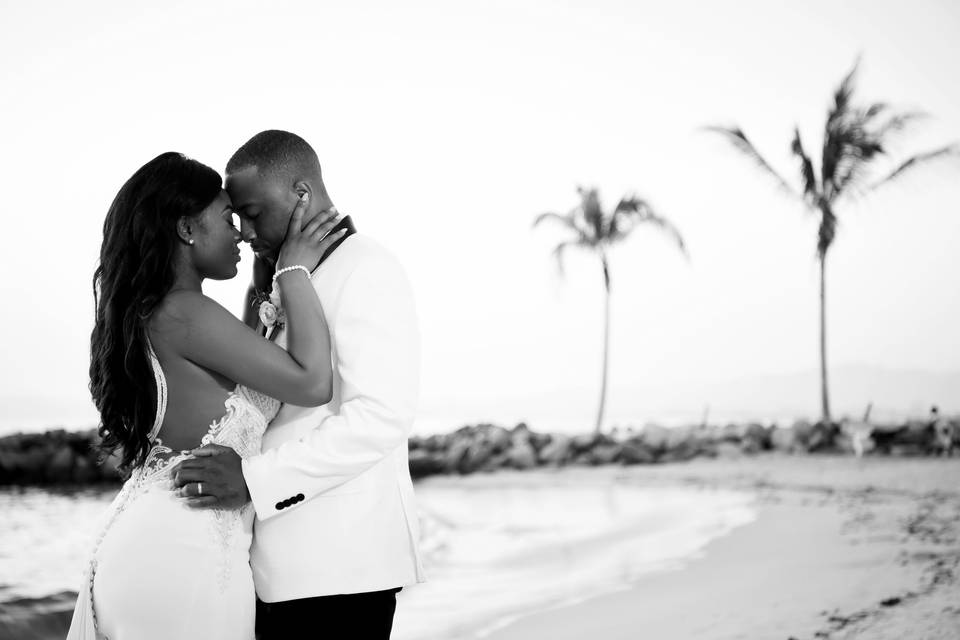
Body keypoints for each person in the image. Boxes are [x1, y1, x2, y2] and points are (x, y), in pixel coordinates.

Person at [67, 151, 345, 639]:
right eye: (226, 217)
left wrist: (269, 278)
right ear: (186, 229)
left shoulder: (167, 312)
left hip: (162, 536)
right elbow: (312, 383)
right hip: (182, 552)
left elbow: (247, 373)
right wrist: (295, 272)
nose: (240, 232)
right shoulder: (185, 313)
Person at [171, 130, 425, 639]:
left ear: (301, 193)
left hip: (340, 570)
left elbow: (379, 419)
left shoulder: (366, 268)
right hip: (275, 571)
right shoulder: (284, 275)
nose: (242, 230)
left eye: (253, 212)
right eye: (235, 216)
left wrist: (252, 479)